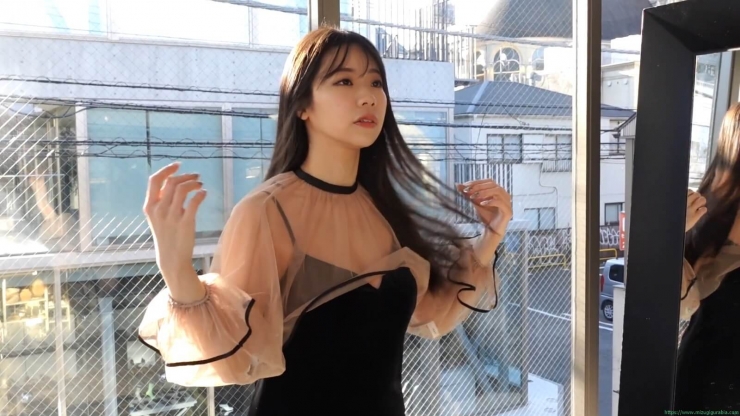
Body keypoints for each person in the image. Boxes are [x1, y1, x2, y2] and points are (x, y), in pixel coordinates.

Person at [137, 26, 512, 416]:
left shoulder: (384, 209)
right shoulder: (268, 210)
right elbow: (234, 356)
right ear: (302, 105)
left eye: (376, 82)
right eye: (344, 81)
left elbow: (431, 313)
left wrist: (490, 236)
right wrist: (177, 270)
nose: (368, 96)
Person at [676, 103, 740, 411]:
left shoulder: (708, 208)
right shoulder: (700, 209)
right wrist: (673, 234)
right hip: (712, 374)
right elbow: (684, 306)